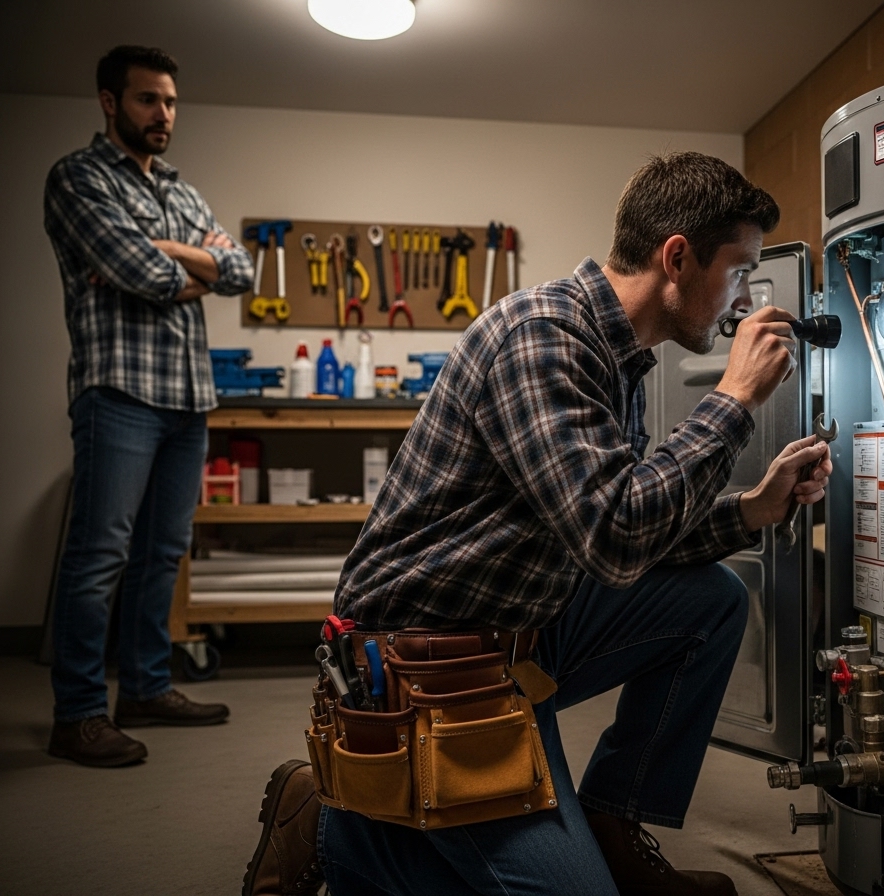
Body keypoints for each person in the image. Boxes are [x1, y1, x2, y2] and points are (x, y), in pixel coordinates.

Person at [243, 152, 831, 896]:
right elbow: (614, 537)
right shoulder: (543, 336)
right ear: (677, 258)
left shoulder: (618, 358)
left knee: (711, 601)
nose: (744, 300)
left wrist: (752, 509)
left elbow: (618, 520)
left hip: (519, 624)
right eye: (739, 271)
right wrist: (735, 399)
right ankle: (337, 831)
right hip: (428, 661)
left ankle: (612, 825)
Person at [43, 45, 254, 768]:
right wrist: (191, 263)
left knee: (163, 554)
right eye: (147, 100)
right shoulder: (78, 177)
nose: (163, 114)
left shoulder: (182, 192)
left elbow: (241, 270)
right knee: (100, 554)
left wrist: (171, 253)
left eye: (170, 102)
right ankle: (77, 715)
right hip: (119, 392)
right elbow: (143, 273)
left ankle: (145, 688)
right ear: (110, 102)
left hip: (189, 398)